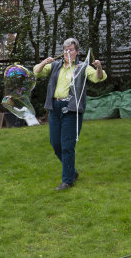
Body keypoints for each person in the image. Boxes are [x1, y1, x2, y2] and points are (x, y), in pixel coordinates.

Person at [33, 38, 107, 191]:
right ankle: (72, 171)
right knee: (56, 144)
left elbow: (99, 77)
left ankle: (67, 180)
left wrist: (99, 67)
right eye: (65, 50)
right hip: (55, 107)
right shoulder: (55, 66)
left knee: (67, 146)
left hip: (71, 108)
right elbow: (37, 72)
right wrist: (44, 62)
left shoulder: (82, 67)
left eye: (71, 50)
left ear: (77, 52)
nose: (67, 52)